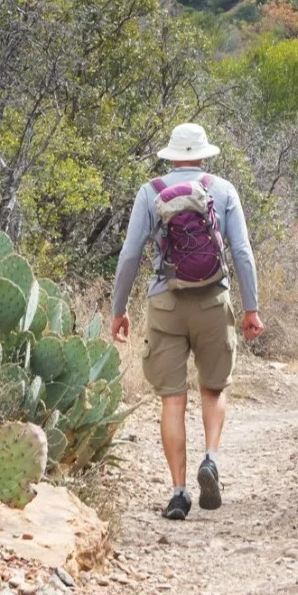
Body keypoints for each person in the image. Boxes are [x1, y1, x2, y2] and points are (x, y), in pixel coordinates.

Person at [110, 122, 264, 519]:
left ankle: (178, 493)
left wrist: (118, 309)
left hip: (166, 303)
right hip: (213, 300)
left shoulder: (150, 192)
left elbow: (129, 256)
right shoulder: (224, 189)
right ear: (203, 153)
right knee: (213, 388)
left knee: (173, 400)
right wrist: (251, 308)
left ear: (172, 155)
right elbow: (243, 252)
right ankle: (210, 458)